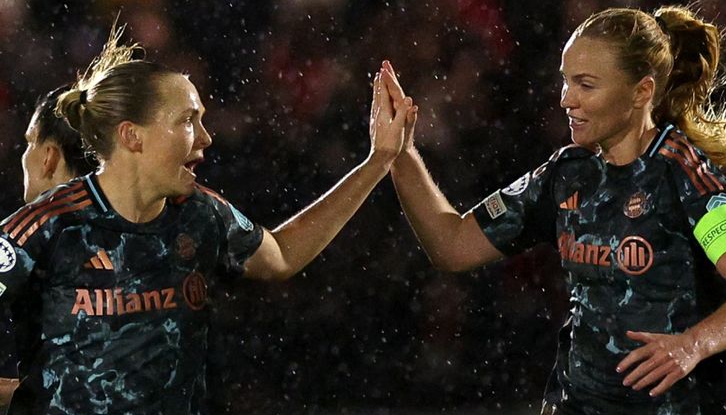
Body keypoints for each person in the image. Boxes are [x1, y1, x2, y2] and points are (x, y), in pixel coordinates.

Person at [0, 24, 415, 414]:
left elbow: (282, 256)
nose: (205, 137)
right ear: (132, 136)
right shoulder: (46, 227)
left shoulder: (201, 214)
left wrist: (378, 161)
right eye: (187, 120)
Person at [383, 5, 726, 414]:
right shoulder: (568, 174)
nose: (567, 99)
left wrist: (694, 344)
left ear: (641, 91)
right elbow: (451, 245)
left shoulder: (684, 177)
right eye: (565, 81)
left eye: (585, 85)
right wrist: (399, 153)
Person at [0, 86, 99, 408]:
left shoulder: (24, 236)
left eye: (30, 142)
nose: (24, 154)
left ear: (49, 157)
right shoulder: (163, 224)